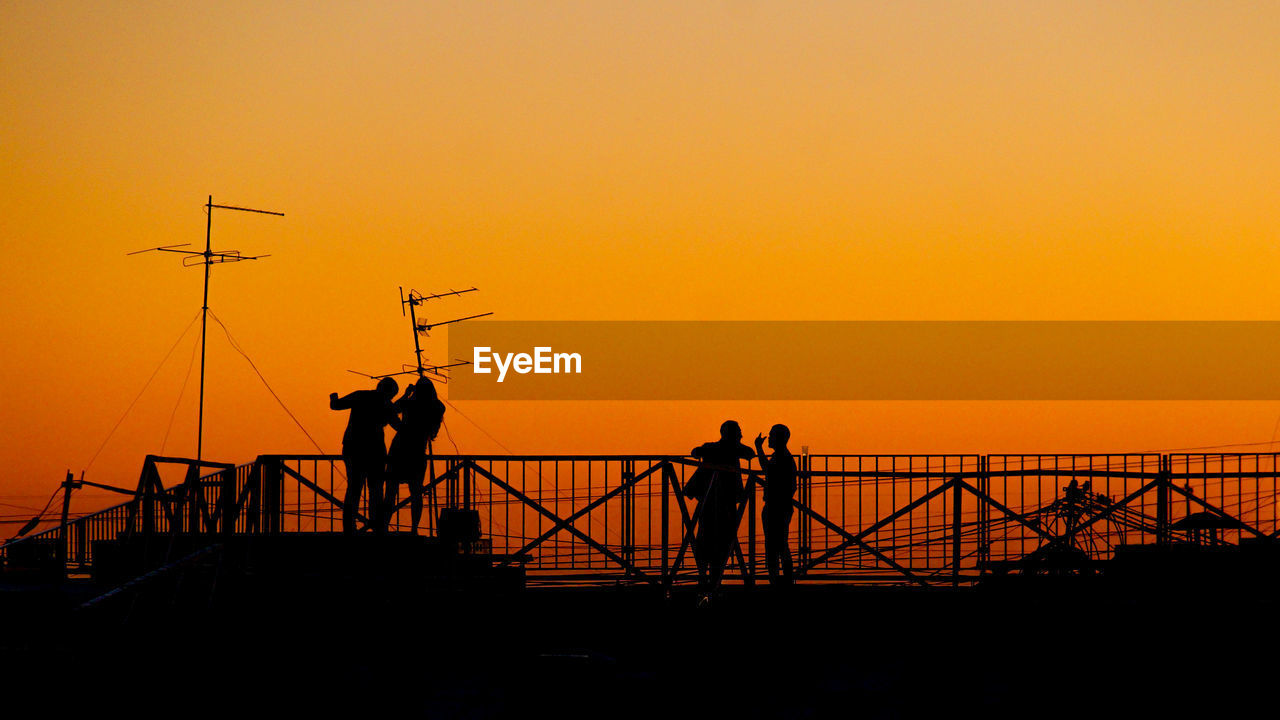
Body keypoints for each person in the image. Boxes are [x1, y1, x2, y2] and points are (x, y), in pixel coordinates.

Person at [688, 420, 755, 585]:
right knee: (723, 539)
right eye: (738, 432)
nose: (741, 435)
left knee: (706, 537)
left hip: (708, 500)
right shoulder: (734, 448)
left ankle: (704, 577)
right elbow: (750, 453)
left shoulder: (711, 448)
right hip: (725, 500)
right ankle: (714, 578)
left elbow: (695, 452)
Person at [330, 377, 400, 534]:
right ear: (390, 394)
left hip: (353, 448)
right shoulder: (387, 404)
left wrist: (333, 396)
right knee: (376, 490)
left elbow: (336, 405)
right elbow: (398, 426)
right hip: (375, 451)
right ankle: (377, 527)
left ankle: (349, 527)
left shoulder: (360, 395)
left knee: (354, 489)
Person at [383, 377, 446, 533]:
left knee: (391, 491)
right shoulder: (437, 407)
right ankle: (414, 529)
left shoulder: (409, 404)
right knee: (416, 492)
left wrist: (406, 394)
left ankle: (383, 527)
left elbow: (392, 409)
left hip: (399, 450)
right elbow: (439, 411)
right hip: (417, 452)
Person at [754, 424, 797, 586]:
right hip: (781, 505)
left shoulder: (782, 457)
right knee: (779, 544)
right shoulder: (784, 457)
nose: (769, 439)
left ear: (779, 438)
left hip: (776, 506)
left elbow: (766, 469)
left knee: (774, 546)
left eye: (771, 436)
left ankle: (778, 581)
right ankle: (784, 580)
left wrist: (758, 448)